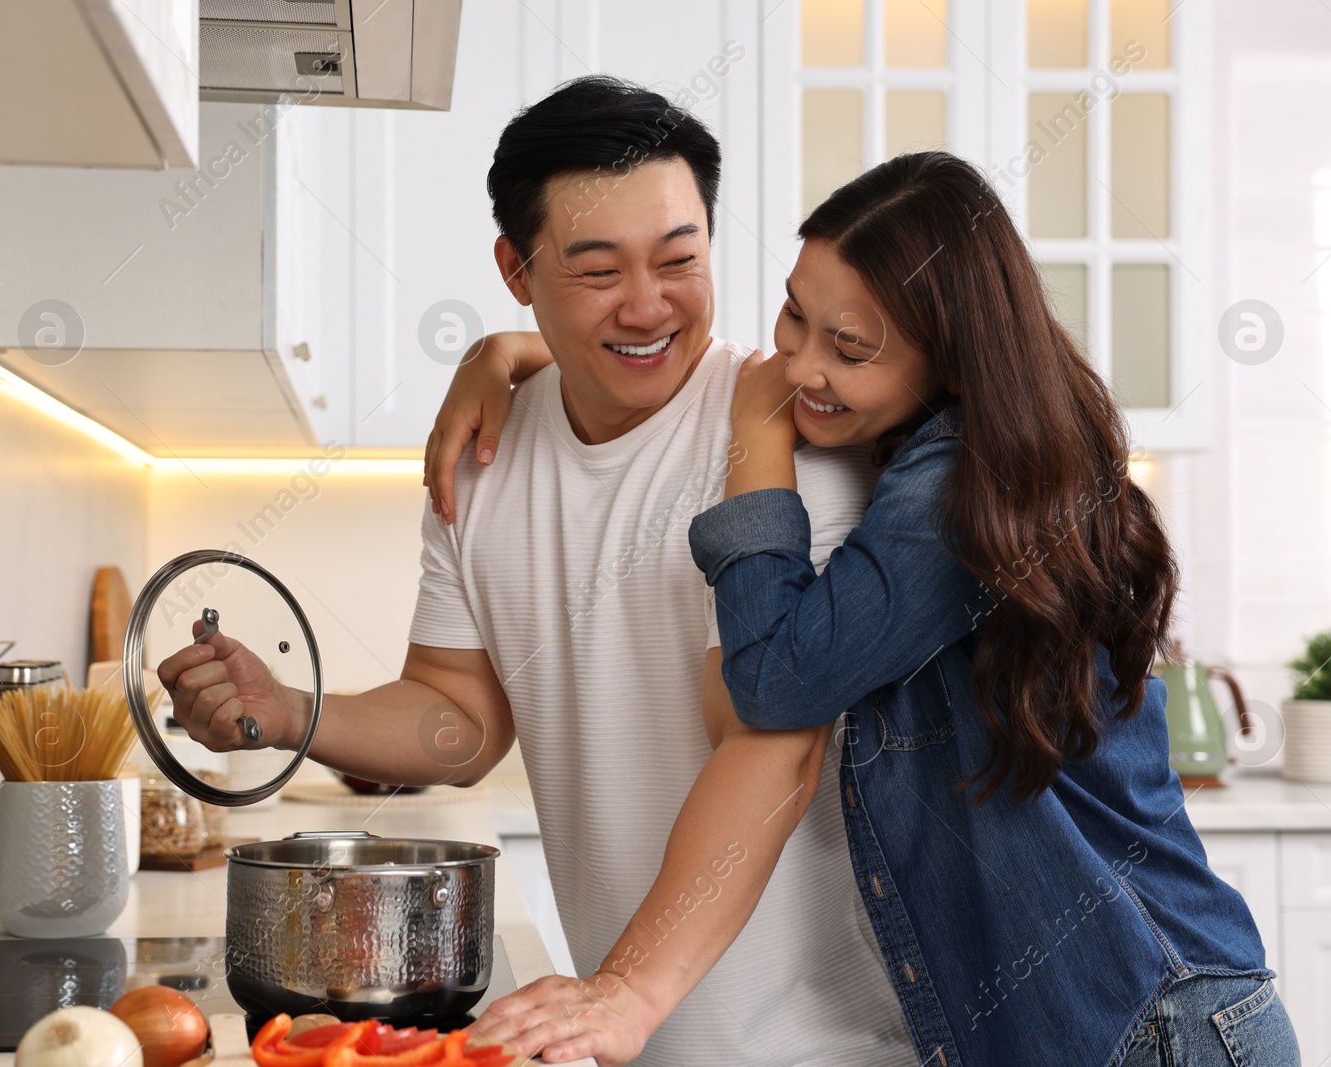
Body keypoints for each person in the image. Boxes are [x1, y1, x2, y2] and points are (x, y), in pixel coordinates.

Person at [159, 76, 914, 1067]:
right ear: (517, 269)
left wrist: (625, 987)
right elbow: (458, 716)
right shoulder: (485, 453)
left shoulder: (783, 445)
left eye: (679, 259)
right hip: (629, 1034)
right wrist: (292, 708)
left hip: (829, 1044)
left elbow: (775, 747)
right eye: (597, 269)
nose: (648, 304)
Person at [682, 152, 1301, 1066]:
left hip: (1152, 1021)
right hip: (1156, 1012)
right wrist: (516, 353)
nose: (800, 364)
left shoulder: (956, 491)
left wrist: (753, 438)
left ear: (956, 363)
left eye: (849, 348)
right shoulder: (985, 457)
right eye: (794, 314)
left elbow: (776, 681)